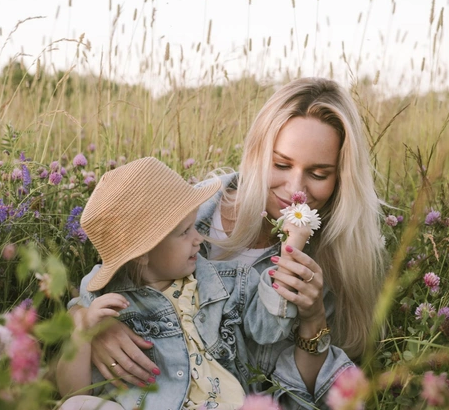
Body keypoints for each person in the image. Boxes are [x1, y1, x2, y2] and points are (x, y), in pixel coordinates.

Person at [73, 78, 388, 409]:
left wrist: (312, 320)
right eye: (280, 164)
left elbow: (298, 394)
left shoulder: (330, 258)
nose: (296, 189)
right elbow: (114, 272)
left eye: (319, 174)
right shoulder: (193, 210)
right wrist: (94, 327)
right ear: (255, 154)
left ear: (341, 179)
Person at [56, 157, 298, 410]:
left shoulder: (225, 281)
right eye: (184, 232)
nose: (198, 239)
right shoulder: (102, 299)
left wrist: (289, 258)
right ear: (141, 253)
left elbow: (268, 330)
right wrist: (81, 336)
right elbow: (72, 391)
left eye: (194, 226)